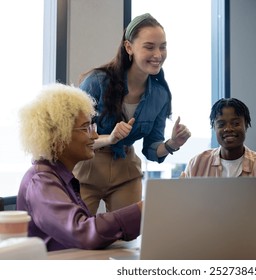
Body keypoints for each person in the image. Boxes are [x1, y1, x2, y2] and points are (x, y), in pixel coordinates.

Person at [74, 13, 191, 214]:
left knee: (127, 239)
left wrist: (172, 144)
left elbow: (152, 150)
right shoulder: (96, 82)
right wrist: (109, 139)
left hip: (126, 170)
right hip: (88, 166)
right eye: (149, 46)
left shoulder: (161, 95)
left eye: (162, 46)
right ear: (129, 47)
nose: (158, 54)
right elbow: (74, 137)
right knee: (77, 234)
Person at [16, 83, 142, 252]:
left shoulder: (58, 177)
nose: (95, 135)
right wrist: (141, 210)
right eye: (86, 128)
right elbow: (83, 232)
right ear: (58, 137)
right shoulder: (41, 181)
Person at [182, 97, 256, 178]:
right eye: (221, 124)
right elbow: (185, 201)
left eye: (235, 123)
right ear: (214, 128)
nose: (228, 129)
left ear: (246, 125)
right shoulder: (197, 164)